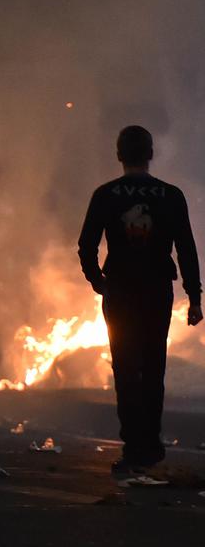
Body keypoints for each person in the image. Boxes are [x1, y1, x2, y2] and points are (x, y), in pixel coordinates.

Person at [78, 125, 202, 486]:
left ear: (119, 155)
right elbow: (187, 250)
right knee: (153, 366)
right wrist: (195, 297)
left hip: (120, 292)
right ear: (150, 154)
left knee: (126, 367)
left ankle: (133, 447)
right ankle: (151, 446)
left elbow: (86, 245)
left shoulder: (105, 195)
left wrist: (97, 280)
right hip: (156, 291)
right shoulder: (171, 195)